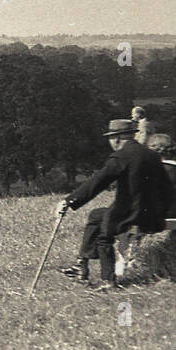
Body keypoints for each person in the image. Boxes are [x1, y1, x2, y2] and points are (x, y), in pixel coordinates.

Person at [55, 120, 174, 289]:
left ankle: (108, 280)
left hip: (132, 214)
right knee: (97, 215)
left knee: (105, 235)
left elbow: (98, 182)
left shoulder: (121, 156)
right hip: (154, 216)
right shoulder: (152, 155)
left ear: (116, 138)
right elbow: (166, 188)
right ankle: (82, 263)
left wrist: (69, 201)